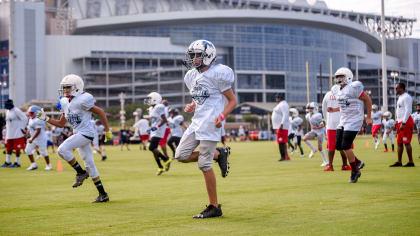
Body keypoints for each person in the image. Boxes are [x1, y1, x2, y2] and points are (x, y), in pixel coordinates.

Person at [175, 39, 235, 218]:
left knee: (204, 164)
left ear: (208, 55)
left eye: (197, 55)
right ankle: (219, 154)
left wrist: (222, 116)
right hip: (197, 122)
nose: (193, 59)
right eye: (192, 55)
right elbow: (200, 97)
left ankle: (214, 206)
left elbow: (233, 101)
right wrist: (192, 105)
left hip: (210, 123)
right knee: (181, 155)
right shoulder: (191, 76)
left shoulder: (218, 73)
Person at [38, 74, 112, 202]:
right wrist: (46, 118)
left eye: (68, 87)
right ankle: (103, 194)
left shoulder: (83, 99)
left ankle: (80, 172)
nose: (65, 90)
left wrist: (107, 130)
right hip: (78, 133)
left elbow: (100, 112)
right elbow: (61, 123)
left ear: (77, 87)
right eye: (64, 87)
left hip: (86, 133)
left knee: (62, 150)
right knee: (90, 164)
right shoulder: (65, 102)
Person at [333, 67, 372, 183]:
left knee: (346, 145)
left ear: (348, 76)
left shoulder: (353, 87)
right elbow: (344, 105)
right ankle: (358, 162)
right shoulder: (337, 90)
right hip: (344, 119)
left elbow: (368, 100)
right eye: (338, 77)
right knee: (338, 146)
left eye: (341, 76)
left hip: (355, 119)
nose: (339, 79)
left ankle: (355, 171)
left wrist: (368, 116)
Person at [321, 86, 351, 171]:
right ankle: (345, 165)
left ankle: (330, 165)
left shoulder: (327, 94)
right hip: (342, 124)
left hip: (330, 124)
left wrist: (325, 120)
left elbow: (323, 108)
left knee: (331, 146)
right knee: (343, 145)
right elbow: (347, 106)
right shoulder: (344, 94)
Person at [145, 92, 171, 175]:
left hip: (158, 131)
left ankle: (165, 159)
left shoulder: (159, 107)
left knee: (151, 147)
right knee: (153, 149)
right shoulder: (152, 108)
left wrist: (156, 127)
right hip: (154, 130)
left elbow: (164, 120)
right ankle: (160, 167)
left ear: (155, 99)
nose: (148, 100)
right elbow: (154, 120)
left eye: (150, 99)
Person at [390, 82, 414, 167]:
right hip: (400, 122)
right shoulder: (400, 97)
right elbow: (399, 112)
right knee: (399, 142)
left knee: (406, 142)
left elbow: (408, 111)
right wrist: (396, 122)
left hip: (406, 122)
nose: (395, 89)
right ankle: (399, 162)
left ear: (402, 88)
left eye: (397, 88)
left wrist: (403, 122)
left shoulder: (407, 97)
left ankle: (411, 162)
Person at [1, 99, 28, 168]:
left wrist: (22, 128)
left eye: (7, 104)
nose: (5, 106)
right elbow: (7, 122)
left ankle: (17, 162)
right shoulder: (7, 111)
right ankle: (8, 162)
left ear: (10, 104)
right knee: (8, 148)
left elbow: (25, 118)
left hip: (17, 133)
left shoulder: (16, 110)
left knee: (17, 148)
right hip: (9, 133)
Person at [25, 105, 52, 171]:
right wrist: (27, 133)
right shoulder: (31, 119)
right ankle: (33, 165)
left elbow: (38, 131)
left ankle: (49, 165)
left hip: (41, 138)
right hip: (33, 138)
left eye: (32, 113)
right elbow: (30, 128)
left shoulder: (39, 119)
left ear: (36, 112)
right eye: (30, 112)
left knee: (43, 152)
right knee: (27, 150)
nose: (30, 114)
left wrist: (32, 138)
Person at [303, 102, 328, 166]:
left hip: (320, 131)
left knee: (320, 148)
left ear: (315, 108)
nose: (309, 109)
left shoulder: (318, 115)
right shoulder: (308, 115)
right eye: (309, 108)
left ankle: (326, 161)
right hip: (314, 131)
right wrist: (313, 128)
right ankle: (313, 149)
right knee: (304, 138)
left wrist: (317, 127)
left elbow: (323, 124)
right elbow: (311, 123)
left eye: (311, 108)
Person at [271, 93, 290, 161]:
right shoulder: (281, 104)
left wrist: (282, 123)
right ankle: (286, 156)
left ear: (279, 98)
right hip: (279, 126)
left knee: (281, 142)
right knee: (282, 142)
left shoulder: (283, 104)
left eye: (277, 98)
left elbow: (285, 114)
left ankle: (283, 157)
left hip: (281, 126)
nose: (276, 99)